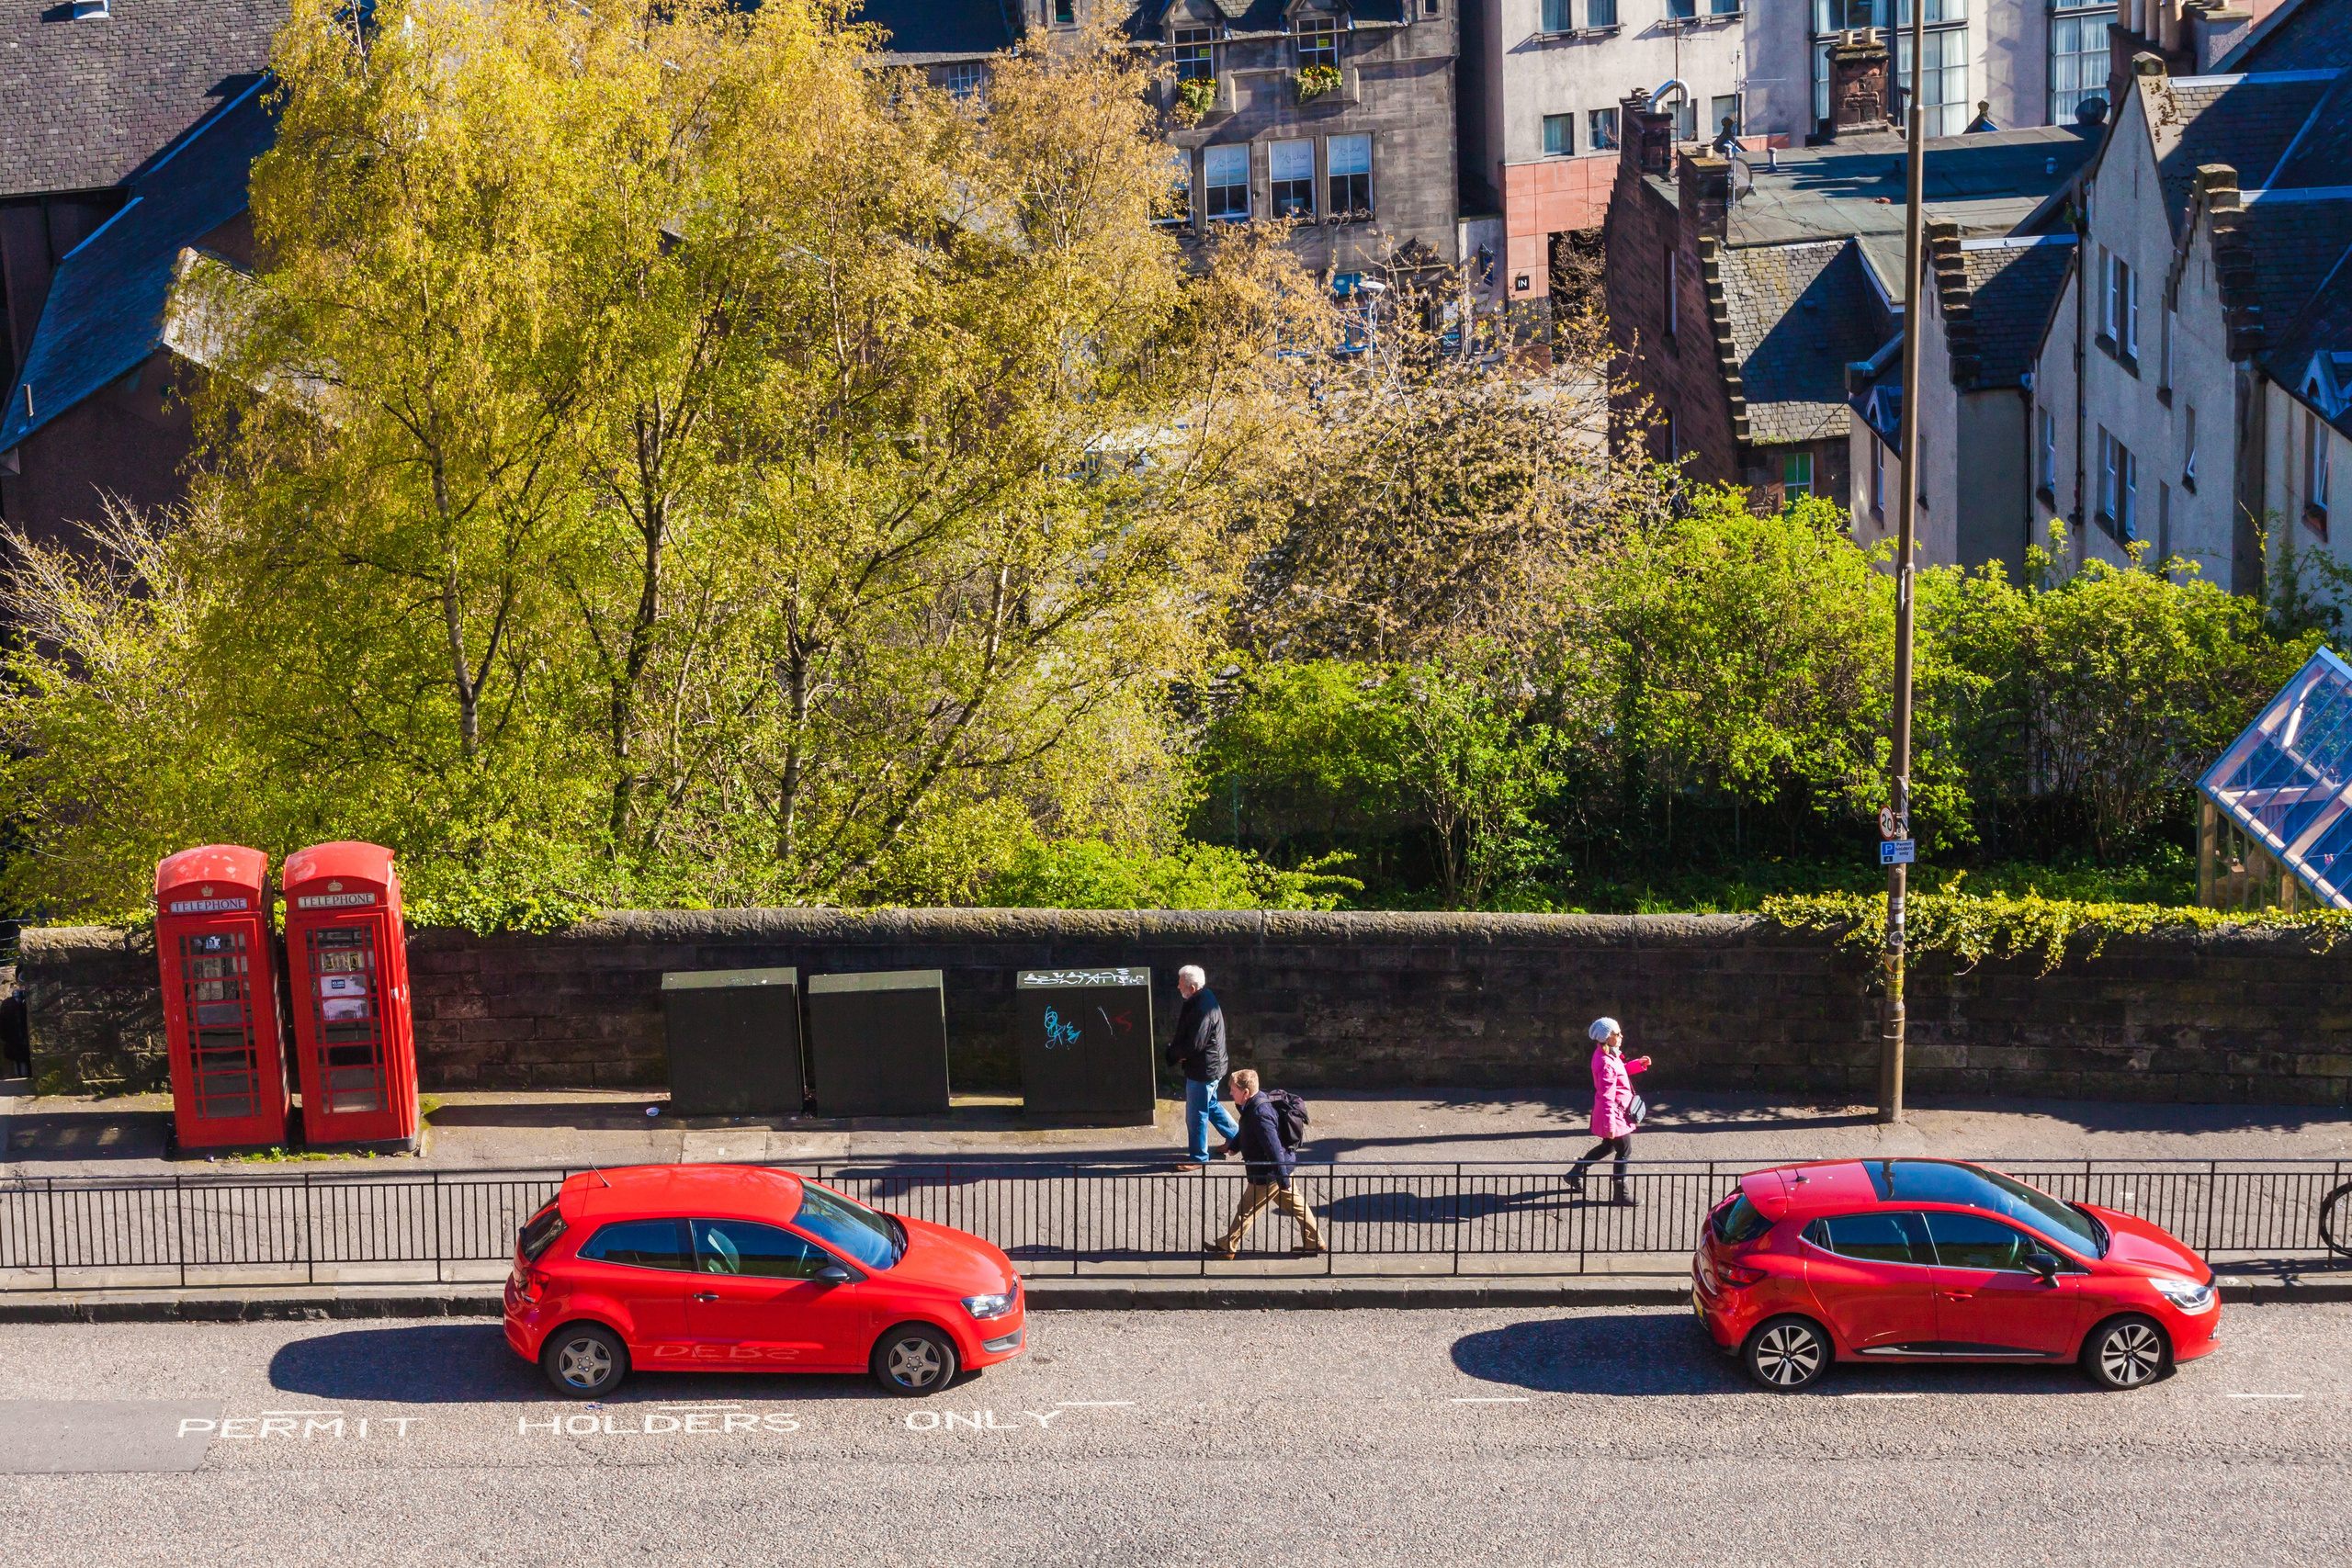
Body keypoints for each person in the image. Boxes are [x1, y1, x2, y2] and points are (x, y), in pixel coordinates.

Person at [1204, 1068, 1324, 1258]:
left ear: (1245, 1092)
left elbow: (1273, 1149)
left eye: (1233, 1090)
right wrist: (1235, 1146)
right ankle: (1314, 1242)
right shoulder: (1255, 1103)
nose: (1230, 1093)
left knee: (1246, 1210)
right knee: (1297, 1206)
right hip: (1280, 1169)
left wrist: (1282, 1179)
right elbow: (1246, 1129)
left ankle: (1227, 1247)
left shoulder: (1260, 1114)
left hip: (1268, 1173)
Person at [1567, 1017, 1650, 1205]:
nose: (1621, 1036)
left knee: (1608, 1146)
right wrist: (1610, 1126)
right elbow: (1607, 1097)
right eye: (1617, 1034)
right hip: (1615, 1115)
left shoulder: (1608, 1055)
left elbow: (1620, 1071)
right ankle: (1621, 1193)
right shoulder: (1606, 1062)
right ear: (1607, 1037)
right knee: (1625, 1150)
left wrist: (1638, 1064)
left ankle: (1576, 1173)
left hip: (1613, 1113)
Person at [1164, 964, 1236, 1171]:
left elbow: (1195, 1044)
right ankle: (1237, 1137)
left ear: (1192, 988)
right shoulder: (1205, 998)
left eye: (1181, 984)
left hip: (1203, 1070)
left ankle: (1198, 1156)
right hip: (1212, 1065)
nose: (1178, 987)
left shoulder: (1201, 1008)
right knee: (1210, 1105)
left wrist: (1176, 1054)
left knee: (1196, 1114)